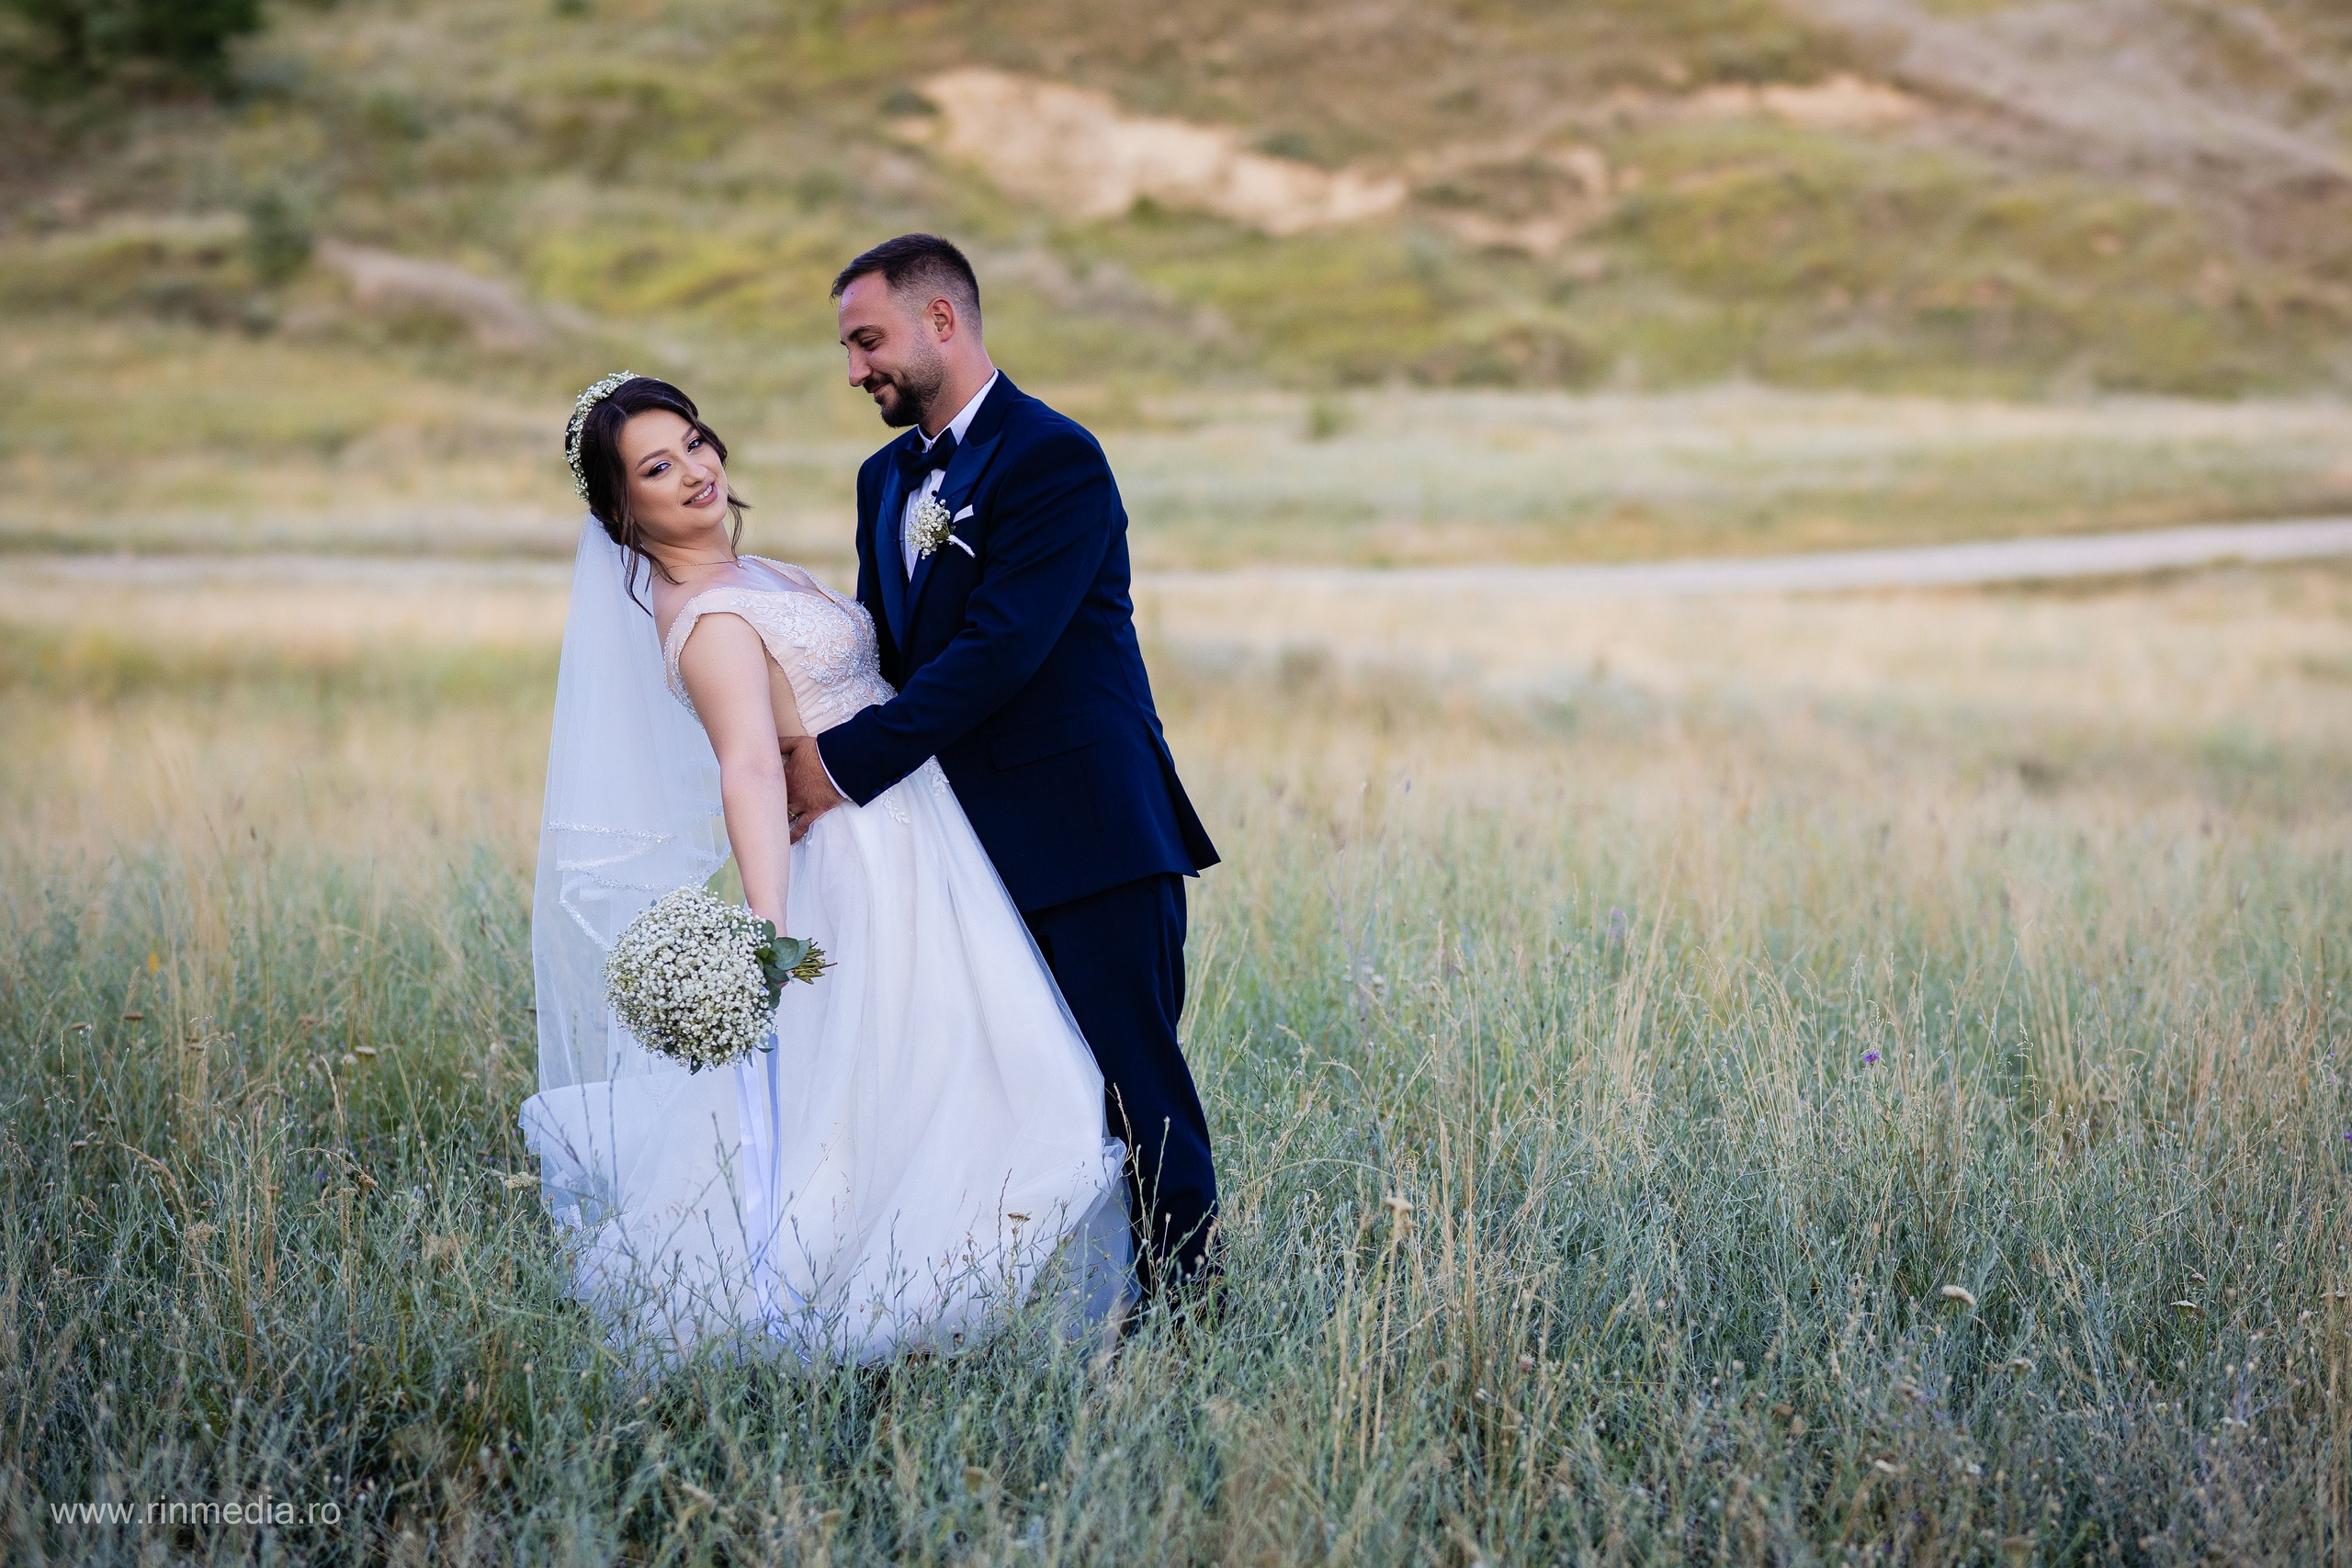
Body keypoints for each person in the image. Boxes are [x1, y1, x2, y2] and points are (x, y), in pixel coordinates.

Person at [519, 373, 1130, 1362]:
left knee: (962, 1064)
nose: (695, 471)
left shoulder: (753, 574)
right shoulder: (709, 619)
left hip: (918, 827)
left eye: (695, 443)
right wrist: (770, 930)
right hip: (860, 861)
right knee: (937, 1070)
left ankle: (965, 1295)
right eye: (657, 468)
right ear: (622, 510)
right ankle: (902, 1303)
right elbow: (752, 769)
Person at [778, 234, 1222, 1300]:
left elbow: (1000, 651)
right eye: (845, 348)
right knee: (1005, 1091)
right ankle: (1031, 1310)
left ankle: (1189, 1317)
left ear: (943, 321)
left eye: (867, 340)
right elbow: (885, 652)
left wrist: (832, 770)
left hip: (1087, 835)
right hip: (949, 851)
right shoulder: (883, 478)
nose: (855, 371)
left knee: (1133, 1087)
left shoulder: (1052, 456)